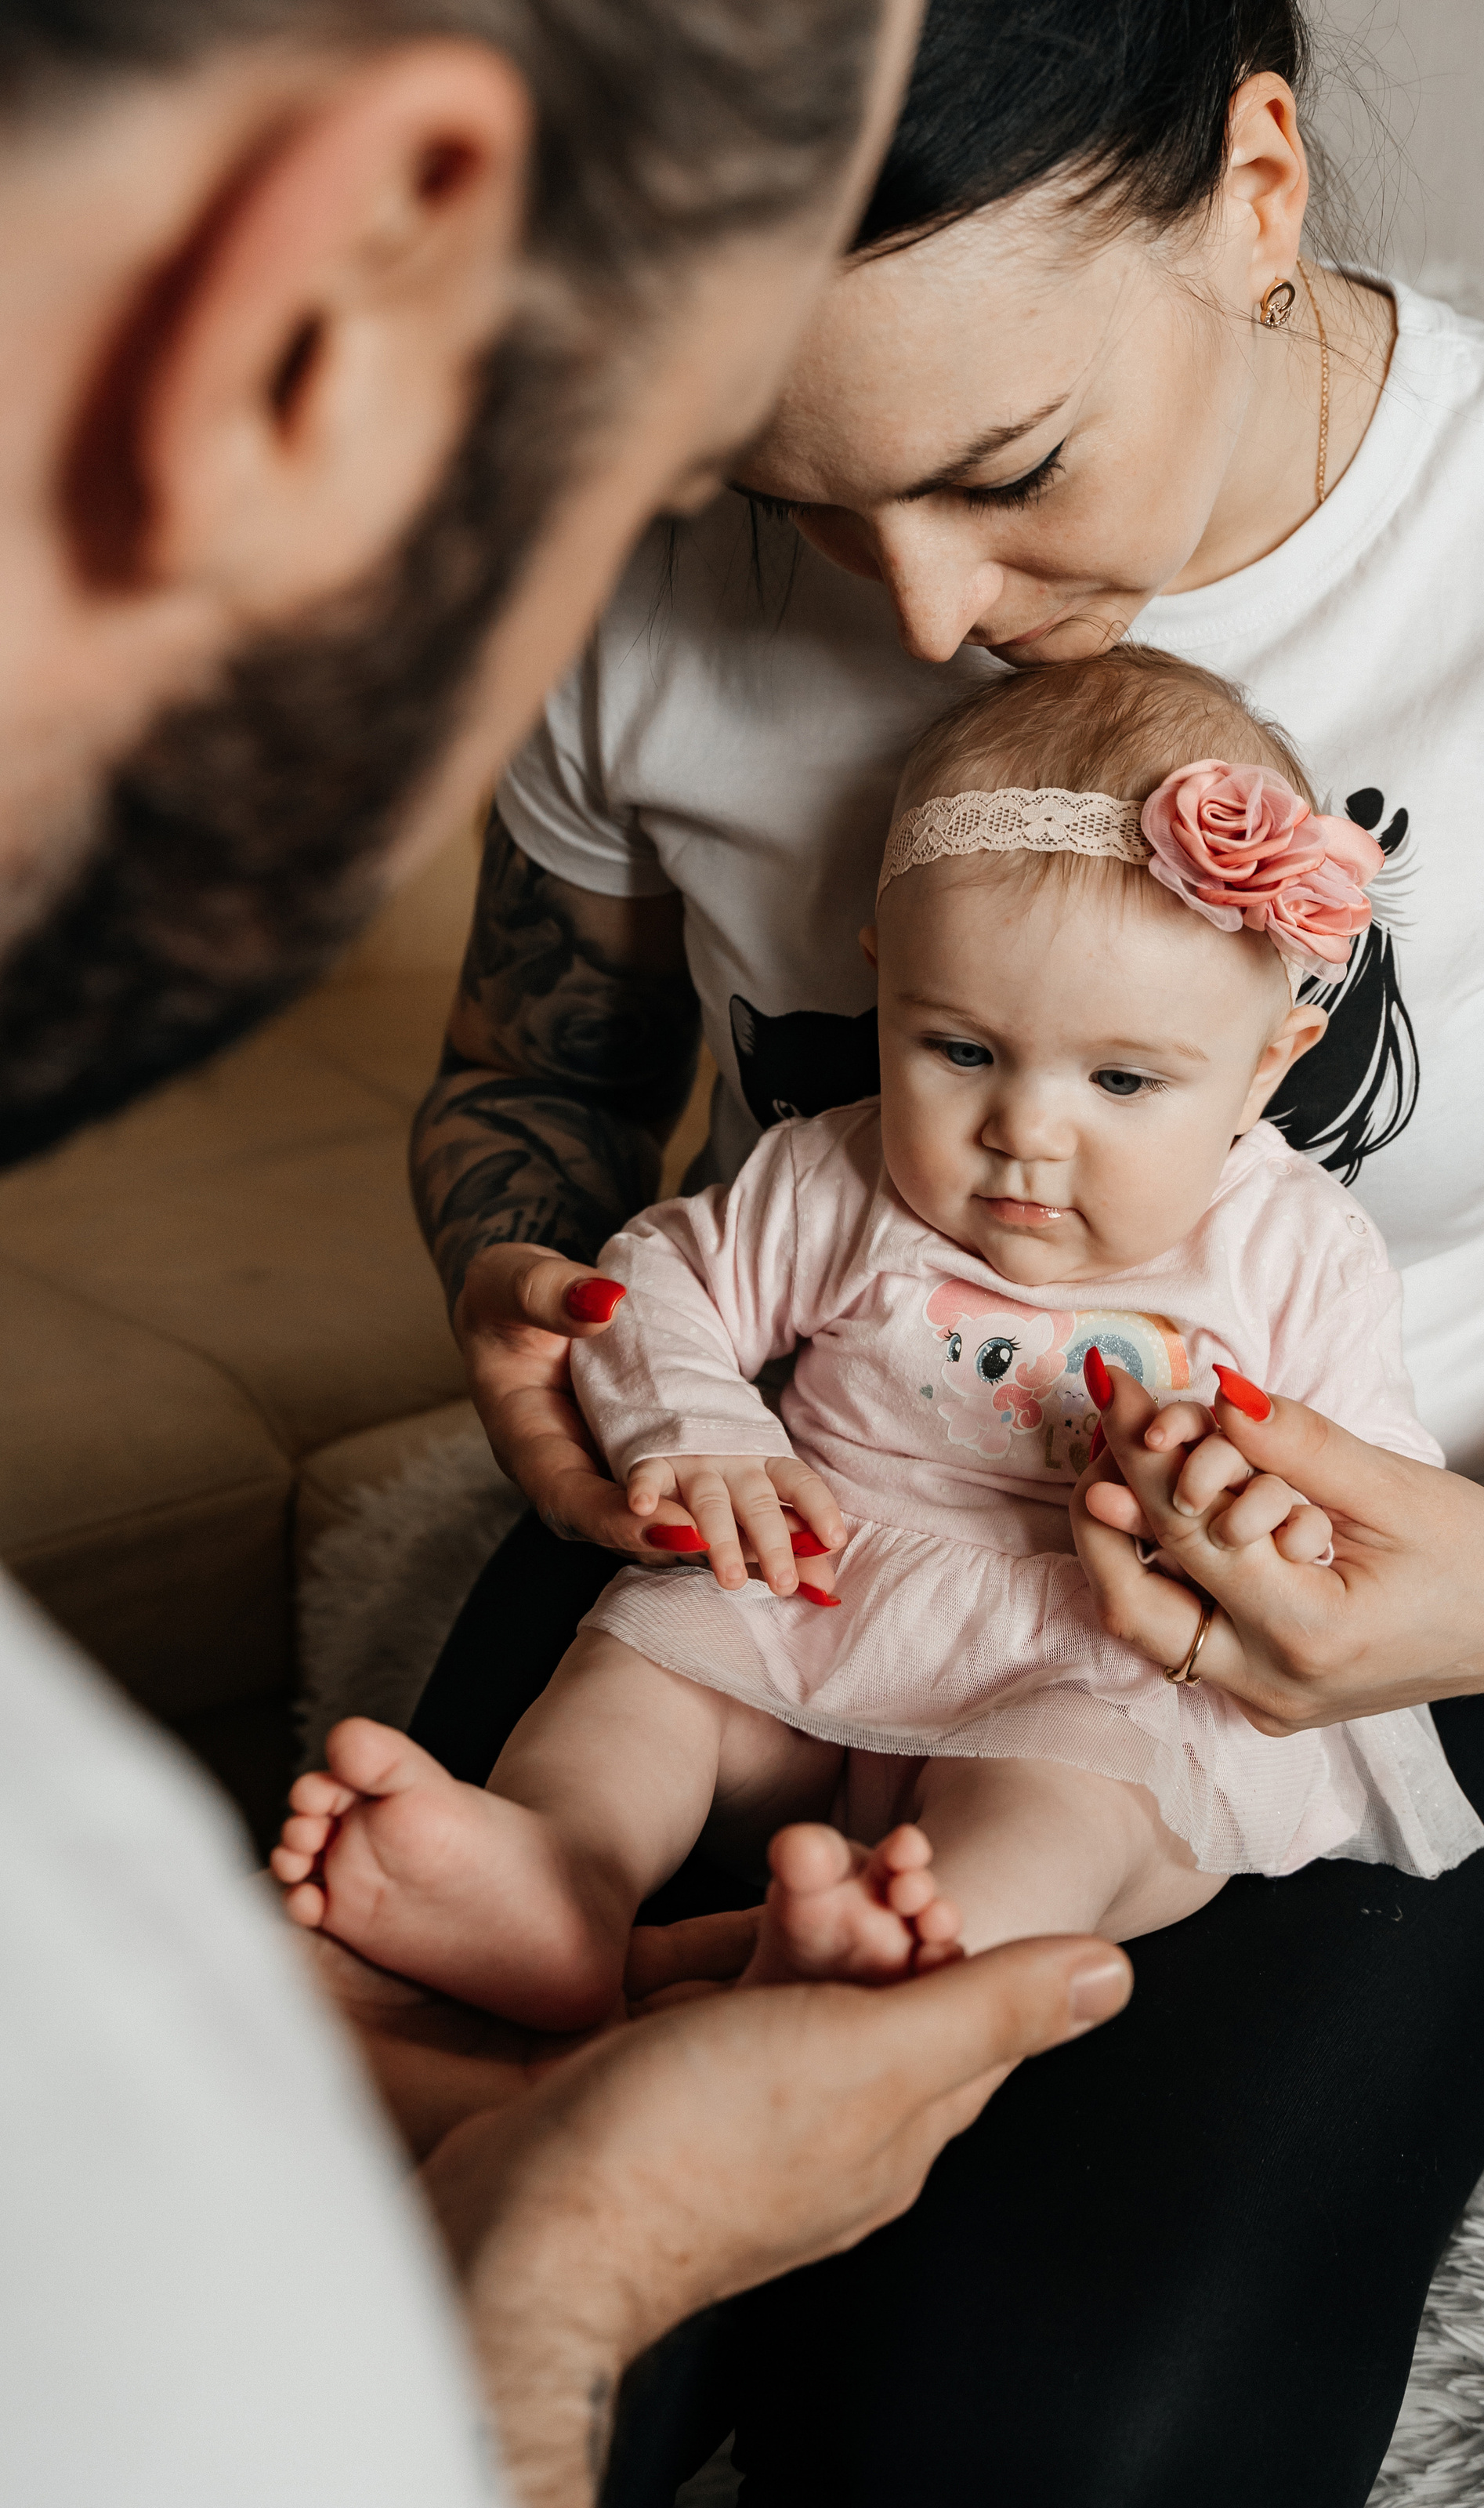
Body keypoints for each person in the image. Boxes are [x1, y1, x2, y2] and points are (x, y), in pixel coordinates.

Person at [406, 2, 1484, 2495]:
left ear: (1260, 191)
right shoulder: (623, 544)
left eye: (1003, 471)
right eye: (785, 497)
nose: (910, 616)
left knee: (1038, 2446)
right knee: (379, 2331)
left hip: (1316, 1638)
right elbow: (532, 1093)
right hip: (763, 1518)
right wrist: (538, 1311)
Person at [0, 6, 1141, 2505]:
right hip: (772, 1538)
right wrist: (554, 2285)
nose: (916, 625)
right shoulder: (84, 2001)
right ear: (317, 308)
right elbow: (630, 1218)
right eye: (686, 475)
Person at [276, 648, 1484, 2029]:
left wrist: (1277, 1523)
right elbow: (657, 1282)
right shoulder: (836, 1176)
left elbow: (1378, 1475)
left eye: (1123, 1079)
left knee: (1074, 1794)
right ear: (884, 988)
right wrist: (705, 1435)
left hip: (1107, 1644)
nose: (1026, 1131)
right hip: (827, 1587)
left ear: (1269, 1059)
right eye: (960, 1050)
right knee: (651, 1661)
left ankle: (921, 1948)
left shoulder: (1292, 1247)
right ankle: (559, 1875)